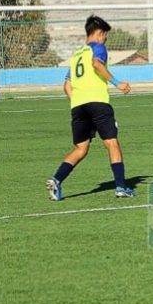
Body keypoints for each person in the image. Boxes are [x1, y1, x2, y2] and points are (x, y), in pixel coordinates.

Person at [46, 15, 134, 201]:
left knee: (81, 148)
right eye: (105, 35)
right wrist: (118, 83)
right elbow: (96, 64)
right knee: (111, 142)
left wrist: (78, 101)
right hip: (98, 103)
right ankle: (121, 186)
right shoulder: (98, 48)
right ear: (99, 33)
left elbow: (66, 86)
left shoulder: (76, 56)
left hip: (78, 106)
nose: (105, 39)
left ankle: (57, 179)